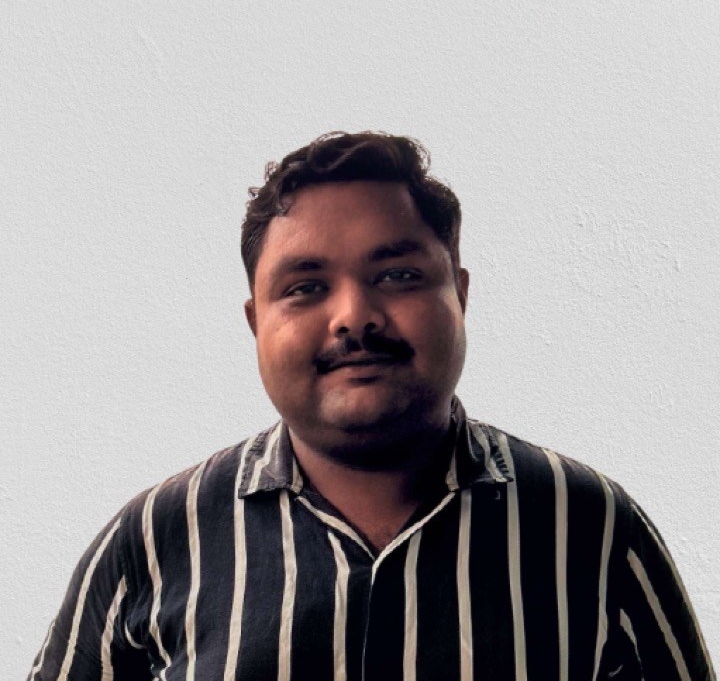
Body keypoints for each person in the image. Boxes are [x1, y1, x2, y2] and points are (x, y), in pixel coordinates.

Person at [29, 132, 714, 680]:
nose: (354, 315)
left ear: (460, 295)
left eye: (398, 275)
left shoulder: (592, 526)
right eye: (305, 287)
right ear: (256, 322)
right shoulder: (153, 541)